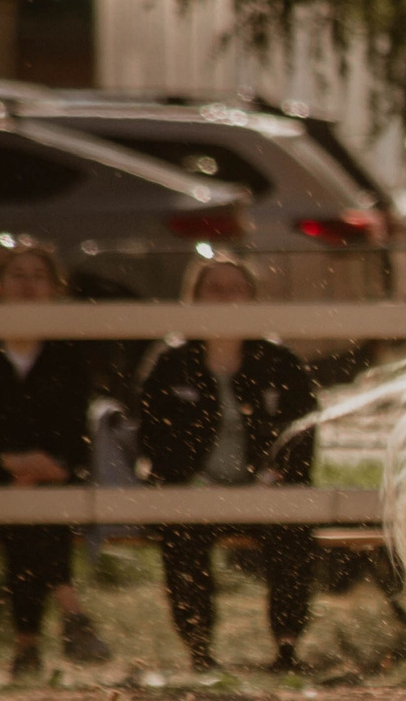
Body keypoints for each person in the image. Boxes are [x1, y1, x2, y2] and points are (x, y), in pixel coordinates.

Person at [135, 254, 321, 674]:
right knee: (181, 527)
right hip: (194, 491)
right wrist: (200, 486)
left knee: (293, 521)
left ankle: (287, 648)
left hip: (264, 491)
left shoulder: (279, 362)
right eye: (214, 289)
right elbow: (154, 440)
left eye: (236, 288)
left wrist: (270, 480)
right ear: (194, 298)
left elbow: (303, 433)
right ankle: (199, 650)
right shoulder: (170, 363)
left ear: (253, 299)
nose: (226, 297)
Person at [0, 241, 112, 679]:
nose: (28, 284)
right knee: (29, 506)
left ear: (55, 288)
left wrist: (49, 465)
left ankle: (27, 649)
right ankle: (70, 612)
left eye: (39, 275)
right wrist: (8, 463)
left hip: (51, 480)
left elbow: (77, 430)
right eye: (17, 274)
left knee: (33, 507)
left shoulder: (68, 352)